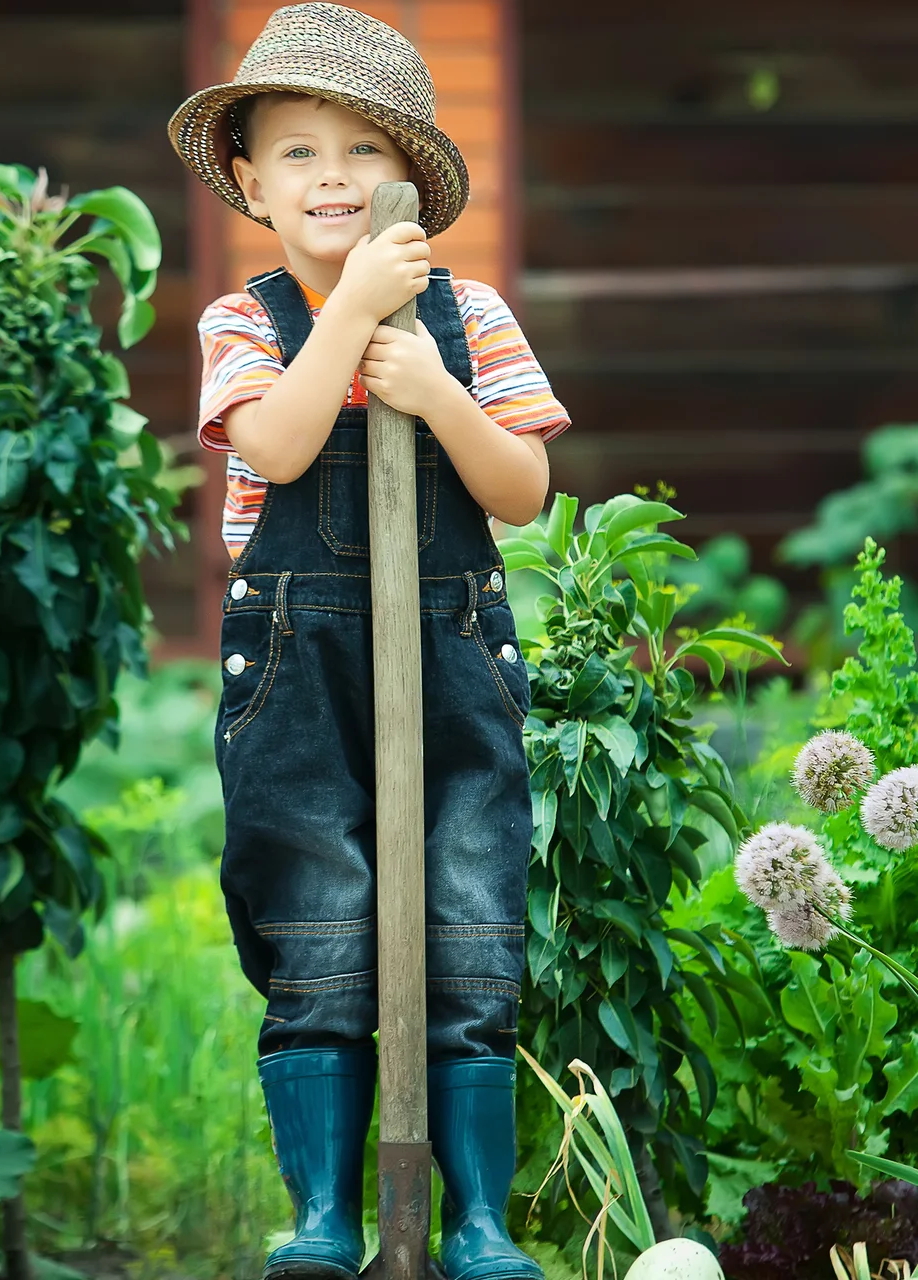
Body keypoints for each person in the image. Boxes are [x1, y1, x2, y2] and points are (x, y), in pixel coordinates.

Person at [169, 7, 569, 1279]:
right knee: (321, 928)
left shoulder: (472, 315)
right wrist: (349, 318)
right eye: (296, 151)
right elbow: (277, 445)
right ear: (249, 184)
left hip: (451, 654)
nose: (329, 174)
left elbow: (521, 491)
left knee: (467, 922)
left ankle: (478, 1219)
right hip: (295, 670)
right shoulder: (241, 324)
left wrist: (434, 386)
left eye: (359, 149)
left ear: (408, 180)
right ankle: (325, 1216)